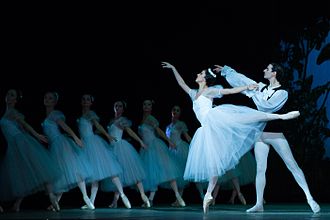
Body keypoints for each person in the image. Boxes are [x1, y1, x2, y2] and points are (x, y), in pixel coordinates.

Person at [161, 61, 300, 214]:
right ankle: (208, 194)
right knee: (214, 163)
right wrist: (174, 68)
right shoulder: (194, 93)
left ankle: (280, 116)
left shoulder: (210, 91)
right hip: (206, 129)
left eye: (200, 74)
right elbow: (181, 83)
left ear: (205, 78)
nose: (197, 75)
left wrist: (246, 87)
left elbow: (229, 91)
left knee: (244, 117)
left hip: (216, 119)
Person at [214, 63, 321, 213]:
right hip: (260, 135)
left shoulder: (282, 92)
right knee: (260, 169)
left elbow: (267, 107)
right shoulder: (261, 87)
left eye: (268, 69)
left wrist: (254, 92)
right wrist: (227, 71)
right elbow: (243, 80)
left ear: (275, 73)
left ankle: (309, 198)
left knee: (292, 166)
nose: (264, 70)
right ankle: (259, 203)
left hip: (275, 134)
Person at [0, 89, 61, 212]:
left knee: (38, 168)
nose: (9, 96)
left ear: (16, 100)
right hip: (13, 146)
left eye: (12, 95)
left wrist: (37, 135)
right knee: (24, 173)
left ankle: (51, 196)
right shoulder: (6, 113)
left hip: (21, 143)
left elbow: (25, 124)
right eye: (8, 94)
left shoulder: (12, 112)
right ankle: (17, 204)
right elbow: (22, 128)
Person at [42, 91, 95, 210]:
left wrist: (76, 138)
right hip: (53, 146)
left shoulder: (55, 114)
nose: (47, 99)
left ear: (55, 102)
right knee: (62, 173)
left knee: (74, 169)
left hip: (61, 144)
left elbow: (65, 127)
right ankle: (56, 201)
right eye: (45, 97)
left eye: (50, 98)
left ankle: (85, 196)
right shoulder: (46, 117)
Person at [77, 94, 131, 209]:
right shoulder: (81, 116)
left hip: (93, 144)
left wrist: (107, 135)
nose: (85, 101)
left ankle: (122, 195)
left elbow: (98, 125)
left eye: (88, 99)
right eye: (83, 99)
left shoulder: (90, 114)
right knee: (93, 175)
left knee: (110, 170)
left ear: (91, 103)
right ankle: (91, 201)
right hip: (84, 145)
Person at [102, 100, 150, 208]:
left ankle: (143, 195)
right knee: (117, 174)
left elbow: (130, 132)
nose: (118, 107)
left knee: (132, 171)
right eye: (116, 105)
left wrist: (140, 141)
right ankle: (115, 201)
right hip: (111, 149)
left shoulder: (122, 120)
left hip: (121, 148)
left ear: (123, 109)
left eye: (120, 106)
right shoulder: (111, 120)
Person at [138, 99, 186, 207]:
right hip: (147, 148)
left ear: (151, 107)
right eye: (144, 104)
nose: (146, 106)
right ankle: (150, 200)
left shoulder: (150, 118)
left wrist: (169, 141)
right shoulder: (142, 119)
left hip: (155, 147)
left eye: (148, 105)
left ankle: (178, 195)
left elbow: (158, 131)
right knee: (152, 173)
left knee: (167, 170)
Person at [163, 105, 191, 207]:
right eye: (174, 110)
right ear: (171, 112)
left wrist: (193, 144)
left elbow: (186, 136)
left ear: (180, 113)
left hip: (180, 149)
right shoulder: (168, 126)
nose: (175, 111)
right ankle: (178, 198)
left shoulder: (180, 124)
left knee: (181, 173)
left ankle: (178, 199)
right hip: (171, 151)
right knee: (174, 174)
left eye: (177, 110)